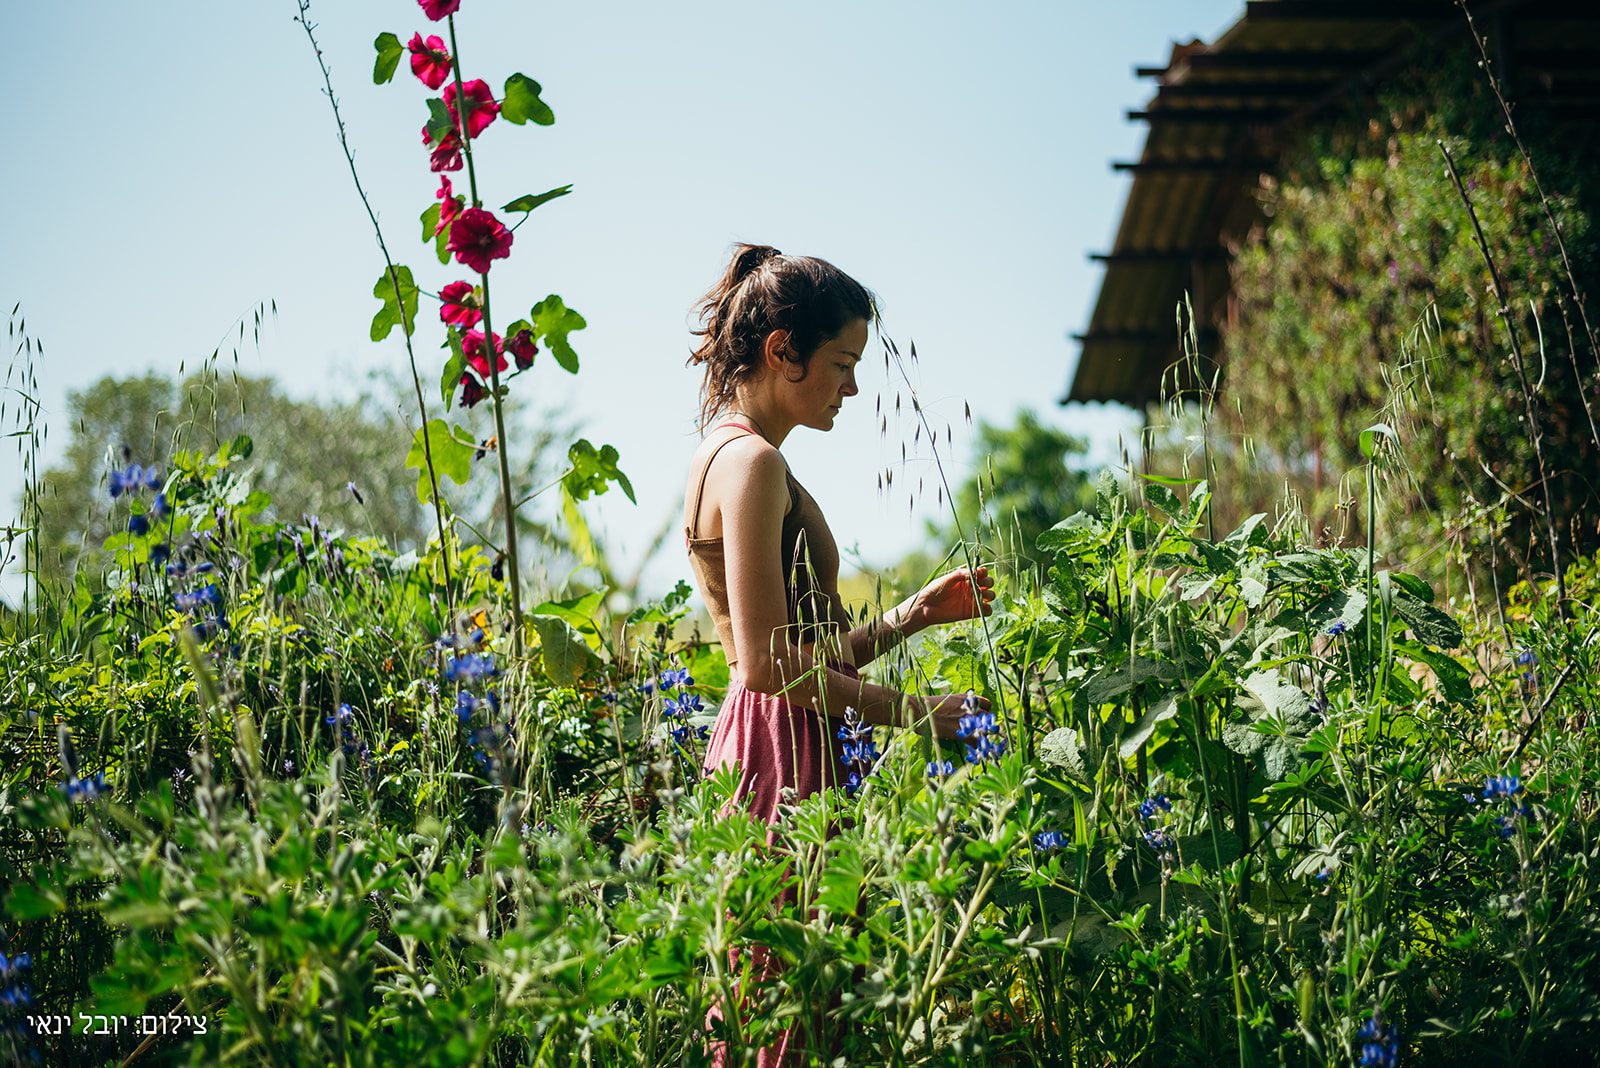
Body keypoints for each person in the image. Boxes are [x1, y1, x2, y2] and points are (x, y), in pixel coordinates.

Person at [682, 242, 995, 826]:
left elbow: (792, 656)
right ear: (783, 351)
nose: (851, 388)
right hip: (784, 747)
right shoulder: (753, 463)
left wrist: (911, 616)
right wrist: (920, 711)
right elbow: (765, 666)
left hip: (777, 733)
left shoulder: (726, 453)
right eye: (843, 363)